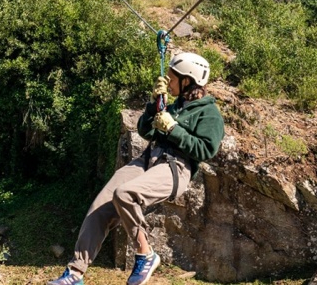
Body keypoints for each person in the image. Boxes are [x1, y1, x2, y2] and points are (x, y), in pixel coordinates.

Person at [48, 52, 225, 285]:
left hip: (176, 167)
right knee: (100, 206)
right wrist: (154, 106)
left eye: (172, 78)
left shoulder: (209, 113)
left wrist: (174, 129)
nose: (167, 82)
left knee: (125, 194)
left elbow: (205, 151)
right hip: (148, 159)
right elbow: (147, 131)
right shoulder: (175, 106)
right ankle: (75, 273)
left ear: (188, 81)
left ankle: (146, 254)